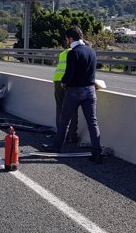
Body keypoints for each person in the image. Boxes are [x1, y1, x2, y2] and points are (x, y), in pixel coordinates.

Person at [42, 26, 103, 162]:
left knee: (64, 121)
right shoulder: (92, 51)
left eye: (67, 39)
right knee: (92, 122)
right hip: (90, 91)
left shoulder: (73, 53)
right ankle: (97, 152)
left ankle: (56, 147)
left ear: (70, 39)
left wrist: (64, 82)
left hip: (75, 91)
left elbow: (69, 74)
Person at [52, 45, 78, 144]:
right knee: (72, 109)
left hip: (58, 80)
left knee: (60, 108)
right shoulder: (77, 53)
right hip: (68, 82)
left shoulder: (63, 53)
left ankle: (60, 135)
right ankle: (71, 135)